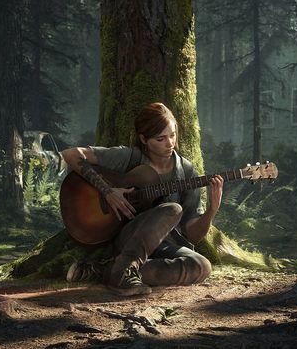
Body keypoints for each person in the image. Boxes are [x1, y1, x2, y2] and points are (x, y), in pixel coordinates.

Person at [61, 102, 224, 296]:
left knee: (202, 266)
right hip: (128, 238)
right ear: (144, 139)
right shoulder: (129, 157)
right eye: (160, 138)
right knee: (173, 209)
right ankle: (124, 268)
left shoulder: (187, 172)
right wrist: (107, 191)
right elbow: (71, 154)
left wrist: (211, 210)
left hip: (165, 245)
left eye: (172, 135)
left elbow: (193, 236)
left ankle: (109, 271)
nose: (170, 143)